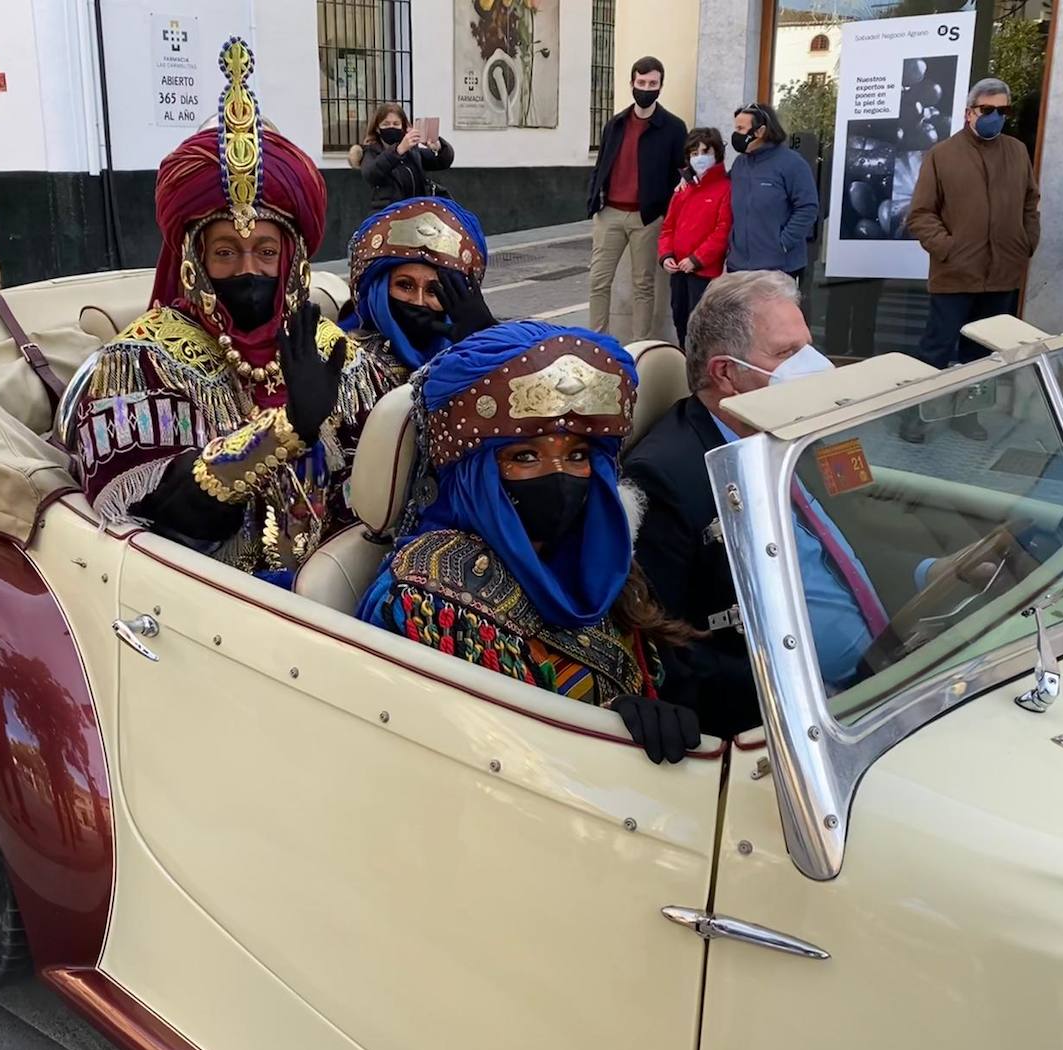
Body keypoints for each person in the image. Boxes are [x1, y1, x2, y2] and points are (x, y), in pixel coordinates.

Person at [66, 39, 403, 583]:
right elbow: (171, 509)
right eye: (226, 252)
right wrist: (290, 428)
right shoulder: (142, 360)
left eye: (266, 252)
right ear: (195, 260)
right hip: (211, 608)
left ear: (291, 260)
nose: (249, 268)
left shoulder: (332, 352)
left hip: (332, 595)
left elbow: (386, 480)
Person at [358, 320, 704, 764]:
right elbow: (466, 752)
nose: (559, 476)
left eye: (577, 455)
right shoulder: (428, 595)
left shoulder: (594, 555)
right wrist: (600, 727)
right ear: (472, 473)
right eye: (525, 456)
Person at [623, 272, 885, 711]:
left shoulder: (804, 432)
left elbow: (858, 531)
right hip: (816, 705)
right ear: (725, 374)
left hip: (897, 661)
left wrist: (925, 574)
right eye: (787, 354)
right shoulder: (666, 476)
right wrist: (803, 700)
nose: (814, 367)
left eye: (808, 346)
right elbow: (670, 646)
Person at [904, 77, 1040, 443]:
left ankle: (968, 415)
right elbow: (920, 214)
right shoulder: (943, 155)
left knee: (981, 354)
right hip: (955, 275)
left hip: (1002, 275)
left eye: (1002, 111)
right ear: (969, 113)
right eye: (988, 110)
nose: (996, 117)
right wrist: (947, 248)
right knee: (936, 347)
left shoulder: (1017, 152)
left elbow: (1030, 202)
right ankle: (917, 416)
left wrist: (1027, 241)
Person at [586, 56, 689, 340]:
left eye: (652, 83)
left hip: (648, 217)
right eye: (641, 82)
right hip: (610, 214)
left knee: (643, 285)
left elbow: (681, 172)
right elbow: (601, 165)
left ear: (661, 86)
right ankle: (598, 340)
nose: (646, 88)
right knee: (598, 281)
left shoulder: (673, 128)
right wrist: (594, 199)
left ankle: (640, 346)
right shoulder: (615, 124)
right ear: (631, 83)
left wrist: (666, 212)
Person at [346, 196, 495, 372]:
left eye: (433, 290)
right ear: (378, 290)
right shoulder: (347, 365)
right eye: (405, 285)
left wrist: (488, 339)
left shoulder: (469, 362)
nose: (418, 302)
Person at [726, 103, 819, 281]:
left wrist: (783, 243)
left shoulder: (792, 163)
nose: (735, 134)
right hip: (738, 266)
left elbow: (808, 207)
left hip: (778, 267)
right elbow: (721, 192)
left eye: (740, 128)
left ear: (760, 131)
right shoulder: (740, 163)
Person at [658, 126, 732, 345]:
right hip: (678, 270)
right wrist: (666, 255)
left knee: (701, 325)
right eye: (694, 153)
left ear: (716, 155)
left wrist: (697, 259)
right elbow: (668, 228)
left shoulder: (725, 188)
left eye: (705, 152)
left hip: (704, 272)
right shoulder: (683, 190)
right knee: (680, 320)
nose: (700, 158)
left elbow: (722, 230)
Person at [359, 103, 455, 212]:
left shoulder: (412, 151)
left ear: (403, 126)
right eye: (386, 124)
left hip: (418, 213)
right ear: (377, 128)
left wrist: (439, 147)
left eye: (396, 124)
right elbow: (371, 174)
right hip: (388, 215)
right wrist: (398, 151)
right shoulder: (371, 151)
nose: (391, 127)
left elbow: (443, 162)